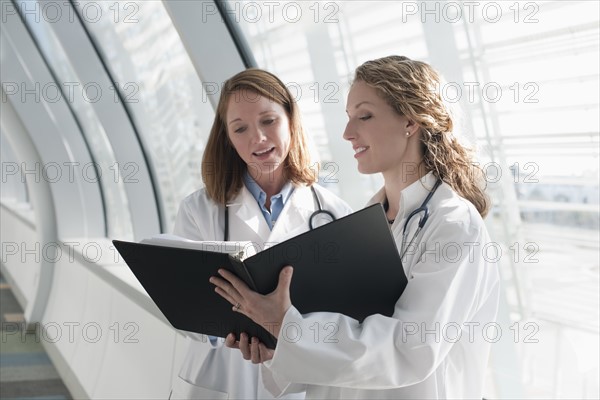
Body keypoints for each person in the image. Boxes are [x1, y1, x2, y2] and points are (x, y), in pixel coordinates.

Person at [210, 56, 501, 399]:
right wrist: (280, 346)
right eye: (349, 118)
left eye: (364, 116)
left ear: (409, 120)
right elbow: (346, 344)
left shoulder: (454, 225)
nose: (348, 133)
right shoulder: (367, 220)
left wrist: (288, 329)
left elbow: (408, 349)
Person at [170, 68, 352, 399]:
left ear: (290, 120)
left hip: (297, 381)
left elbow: (345, 318)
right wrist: (219, 332)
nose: (258, 138)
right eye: (241, 128)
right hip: (223, 377)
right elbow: (183, 308)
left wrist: (287, 335)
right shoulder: (198, 210)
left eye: (268, 120)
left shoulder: (334, 214)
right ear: (228, 138)